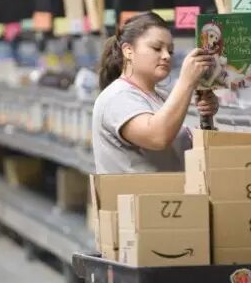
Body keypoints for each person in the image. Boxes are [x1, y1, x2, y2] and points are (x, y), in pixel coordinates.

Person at [93, 11, 219, 173]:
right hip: (141, 191)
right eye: (157, 48)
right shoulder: (117, 97)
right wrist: (186, 82)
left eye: (170, 51)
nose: (166, 56)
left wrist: (205, 116)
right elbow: (157, 137)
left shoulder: (161, 97)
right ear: (128, 50)